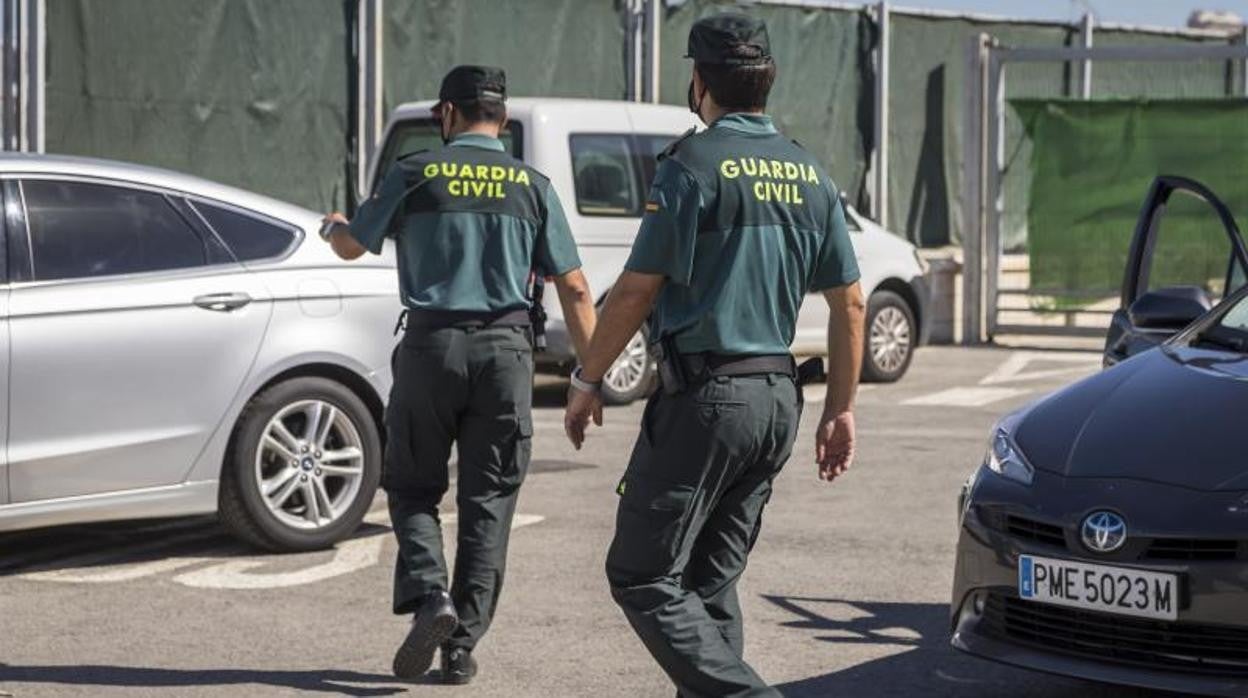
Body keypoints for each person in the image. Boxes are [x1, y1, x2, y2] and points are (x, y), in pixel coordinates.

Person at [564, 13, 865, 697]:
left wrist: (587, 378)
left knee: (640, 573)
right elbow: (851, 304)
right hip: (776, 401)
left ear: (699, 80)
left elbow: (638, 290)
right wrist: (841, 410)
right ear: (768, 80)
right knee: (708, 581)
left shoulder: (691, 165)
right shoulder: (809, 174)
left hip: (707, 401)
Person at [322, 65, 597, 685]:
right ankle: (462, 645)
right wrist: (590, 377)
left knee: (414, 487)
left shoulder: (415, 172)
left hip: (430, 348)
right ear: (501, 117)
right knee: (489, 503)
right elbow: (575, 288)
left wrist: (333, 224)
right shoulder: (532, 186)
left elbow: (352, 246)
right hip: (506, 354)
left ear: (447, 114)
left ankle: (431, 598)